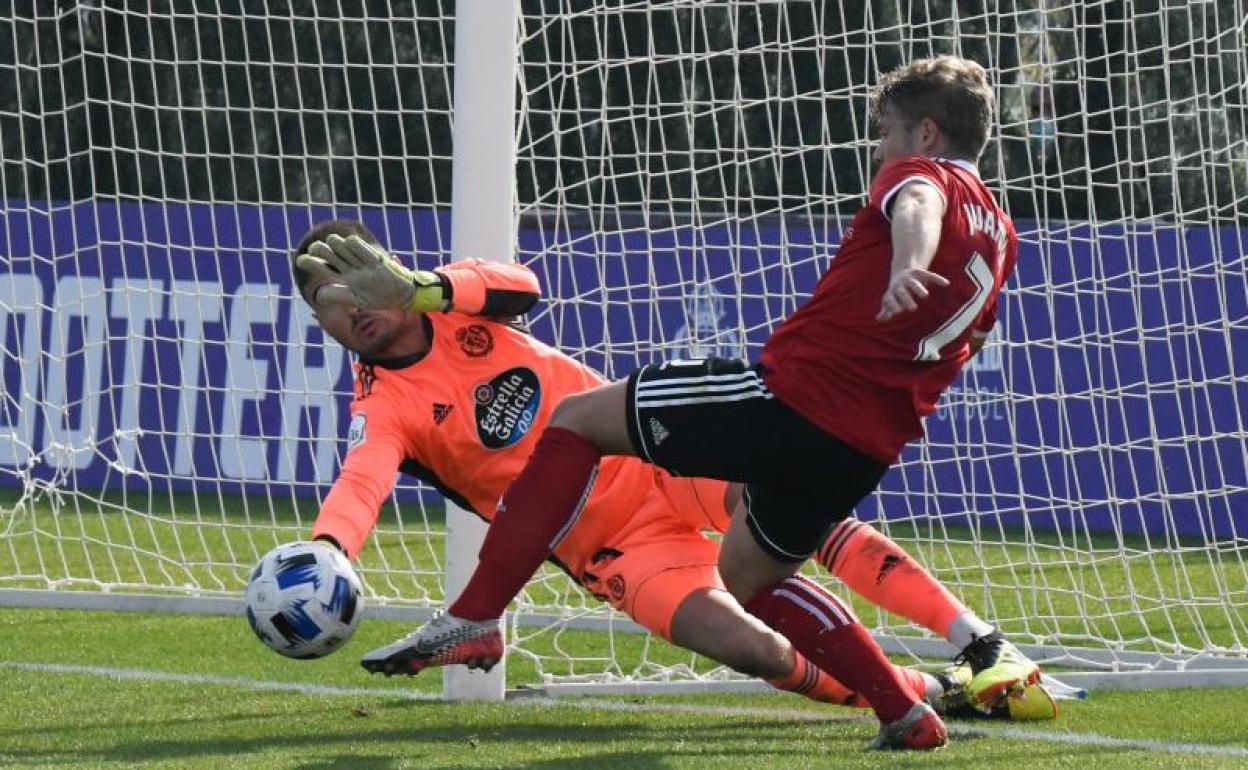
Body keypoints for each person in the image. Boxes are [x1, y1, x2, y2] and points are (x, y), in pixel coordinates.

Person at [300, 55, 1035, 749]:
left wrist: (907, 260)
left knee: (576, 421)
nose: (882, 152)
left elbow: (918, 201)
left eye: (887, 135)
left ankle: (477, 614)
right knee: (753, 593)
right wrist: (329, 546)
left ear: (927, 134)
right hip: (850, 448)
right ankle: (910, 703)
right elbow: (363, 479)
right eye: (329, 303)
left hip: (782, 405)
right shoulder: (1000, 233)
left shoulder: (921, 177)